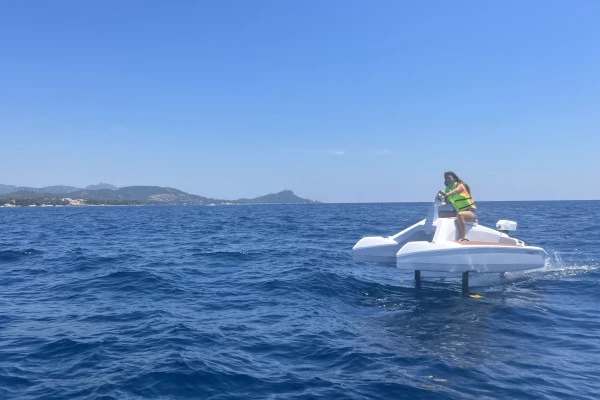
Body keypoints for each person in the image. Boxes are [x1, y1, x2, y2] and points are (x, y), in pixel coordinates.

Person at [438, 171, 477, 242]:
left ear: (454, 178)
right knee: (440, 214)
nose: (447, 180)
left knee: (460, 215)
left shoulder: (461, 185)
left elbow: (456, 191)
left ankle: (463, 238)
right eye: (446, 178)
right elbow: (446, 202)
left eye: (449, 178)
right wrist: (439, 204)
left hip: (470, 212)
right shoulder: (447, 190)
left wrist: (446, 194)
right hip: (457, 212)